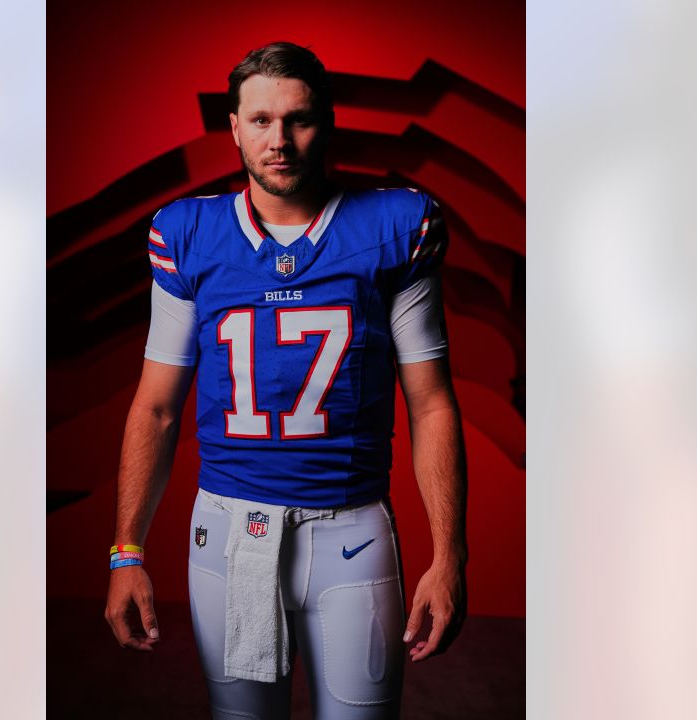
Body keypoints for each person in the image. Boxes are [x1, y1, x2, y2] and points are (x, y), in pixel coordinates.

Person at [104, 41, 468, 720]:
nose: (281, 140)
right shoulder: (187, 233)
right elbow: (156, 408)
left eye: (298, 119)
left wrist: (450, 557)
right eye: (262, 120)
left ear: (326, 123)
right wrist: (127, 551)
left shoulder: (396, 225)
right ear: (234, 127)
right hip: (228, 529)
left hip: (352, 532)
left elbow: (431, 404)